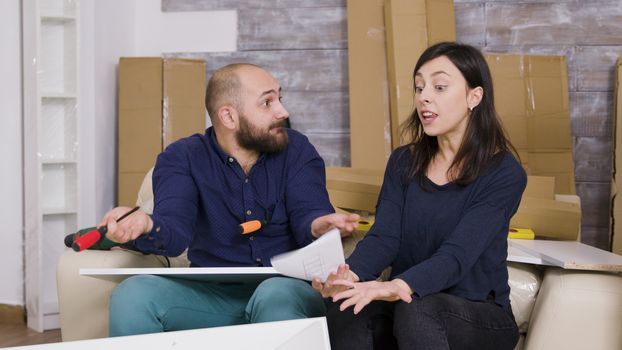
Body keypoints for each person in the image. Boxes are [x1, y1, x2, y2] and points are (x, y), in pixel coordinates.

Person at [100, 63, 359, 336]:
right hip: (210, 295)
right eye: (267, 102)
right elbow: (174, 232)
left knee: (275, 296)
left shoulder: (297, 149)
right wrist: (145, 225)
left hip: (285, 288)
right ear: (228, 116)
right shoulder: (182, 158)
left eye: (279, 99)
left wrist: (319, 225)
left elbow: (310, 210)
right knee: (133, 295)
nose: (283, 112)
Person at [312, 42, 526, 350]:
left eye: (439, 87)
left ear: (473, 97)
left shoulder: (503, 172)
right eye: (419, 87)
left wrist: (397, 286)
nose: (424, 96)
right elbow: (385, 238)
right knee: (348, 308)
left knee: (417, 307)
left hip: (477, 314)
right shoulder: (403, 162)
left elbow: (456, 256)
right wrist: (348, 275)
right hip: (407, 305)